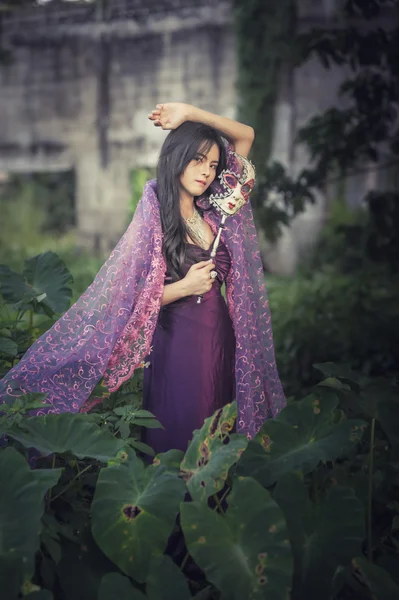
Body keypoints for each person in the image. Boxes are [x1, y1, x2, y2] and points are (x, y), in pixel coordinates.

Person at [0, 102, 286, 454]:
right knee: (184, 436)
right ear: (176, 159)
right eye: (198, 160)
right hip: (177, 343)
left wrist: (190, 113)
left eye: (213, 165)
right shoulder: (154, 216)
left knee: (219, 437)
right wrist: (184, 287)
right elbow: (129, 302)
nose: (207, 172)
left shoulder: (217, 210)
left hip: (221, 340)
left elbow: (246, 136)